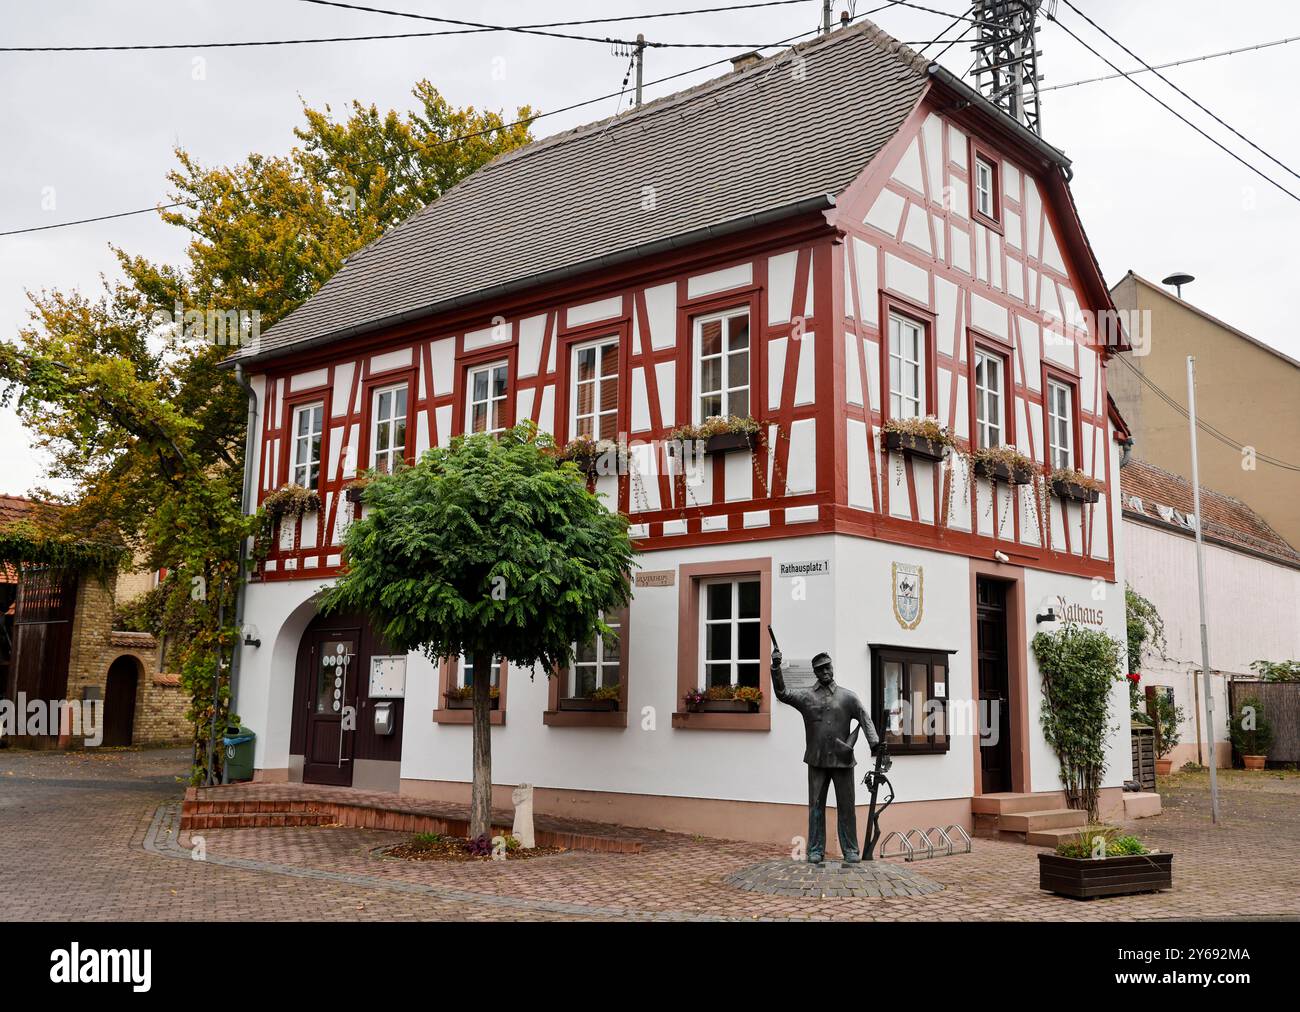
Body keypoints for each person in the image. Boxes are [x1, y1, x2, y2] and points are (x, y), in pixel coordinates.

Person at [771, 647, 879, 864]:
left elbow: (864, 717)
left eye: (828, 667)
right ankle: (815, 849)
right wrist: (776, 667)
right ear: (815, 672)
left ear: (832, 667)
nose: (825, 672)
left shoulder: (847, 697)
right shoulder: (806, 696)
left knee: (847, 807)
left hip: (843, 760)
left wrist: (874, 743)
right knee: (816, 807)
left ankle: (850, 849)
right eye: (820, 669)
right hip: (817, 759)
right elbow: (783, 694)